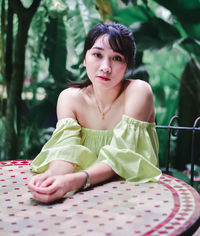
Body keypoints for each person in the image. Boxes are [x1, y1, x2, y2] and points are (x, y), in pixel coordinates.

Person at [28, 22, 161, 203]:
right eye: (97, 55)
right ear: (84, 58)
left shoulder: (138, 92)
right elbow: (67, 150)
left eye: (117, 58)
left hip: (132, 196)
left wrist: (72, 181)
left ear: (128, 65)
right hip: (82, 198)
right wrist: (51, 177)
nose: (105, 67)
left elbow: (121, 158)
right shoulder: (70, 98)